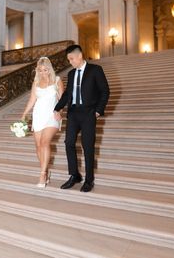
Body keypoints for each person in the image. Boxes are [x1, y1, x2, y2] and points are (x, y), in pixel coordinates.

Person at [54, 44, 109, 192]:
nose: (70, 62)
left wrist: (98, 111)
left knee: (88, 146)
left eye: (71, 59)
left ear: (79, 56)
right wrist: (57, 107)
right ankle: (74, 175)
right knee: (68, 143)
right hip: (73, 114)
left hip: (88, 113)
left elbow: (105, 91)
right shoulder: (71, 74)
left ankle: (89, 180)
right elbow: (67, 94)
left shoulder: (95, 70)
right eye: (69, 59)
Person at [21, 57, 64, 188]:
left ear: (49, 69)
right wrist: (24, 114)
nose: (43, 73)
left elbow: (63, 99)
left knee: (45, 142)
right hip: (38, 115)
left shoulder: (57, 81)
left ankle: (43, 174)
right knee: (38, 146)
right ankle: (45, 170)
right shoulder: (36, 83)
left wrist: (60, 112)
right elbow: (32, 100)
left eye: (45, 70)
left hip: (52, 115)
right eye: (40, 70)